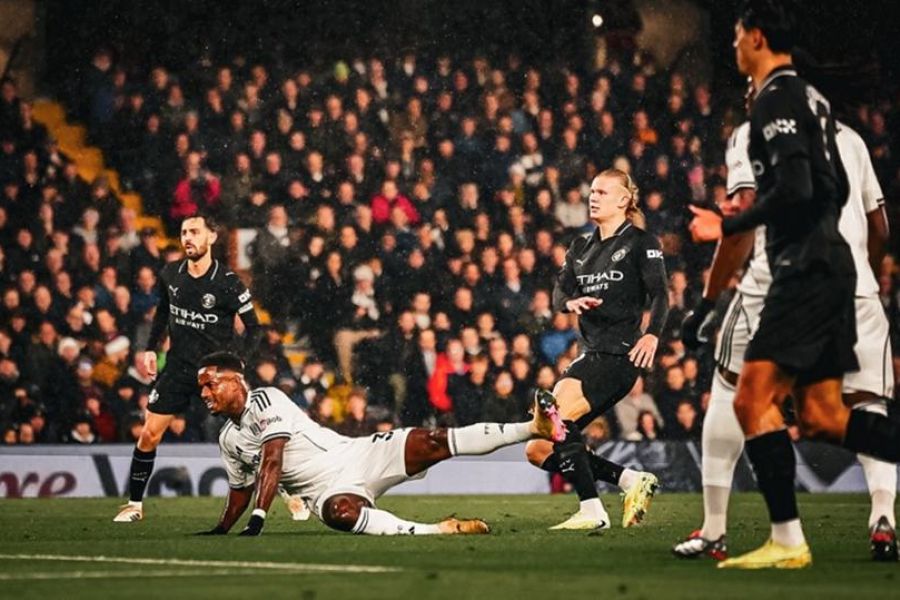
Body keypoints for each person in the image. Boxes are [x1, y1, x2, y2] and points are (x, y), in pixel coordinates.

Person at [688, 1, 900, 568]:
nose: (733, 46)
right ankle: (785, 539)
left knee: (750, 397)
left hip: (803, 269)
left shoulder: (774, 102)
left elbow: (797, 188)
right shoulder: (817, 103)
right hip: (835, 267)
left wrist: (724, 226)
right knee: (825, 417)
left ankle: (786, 540)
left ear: (757, 38)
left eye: (738, 36)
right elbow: (846, 201)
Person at [194, 351, 566, 536]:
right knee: (340, 513)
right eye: (202, 389)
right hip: (324, 491)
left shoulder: (266, 400)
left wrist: (258, 519)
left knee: (433, 440)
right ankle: (439, 530)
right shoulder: (228, 438)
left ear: (236, 381)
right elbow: (240, 488)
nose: (205, 394)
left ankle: (532, 427)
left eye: (211, 385)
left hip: (357, 454)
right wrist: (221, 529)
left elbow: (272, 459)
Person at [524, 168, 669, 530]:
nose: (594, 197)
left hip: (619, 355)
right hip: (589, 355)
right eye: (592, 191)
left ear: (623, 200)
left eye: (603, 192)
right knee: (538, 448)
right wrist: (569, 302)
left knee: (557, 421)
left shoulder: (641, 242)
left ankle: (592, 510)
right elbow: (559, 292)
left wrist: (652, 334)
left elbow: (661, 294)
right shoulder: (580, 247)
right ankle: (630, 480)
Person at [113, 214, 262, 522]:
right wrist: (151, 348)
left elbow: (255, 329)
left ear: (211, 237)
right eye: (183, 233)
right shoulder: (171, 273)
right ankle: (134, 505)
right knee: (149, 434)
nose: (188, 238)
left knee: (254, 437)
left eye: (194, 232)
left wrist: (238, 364)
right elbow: (163, 313)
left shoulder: (228, 282)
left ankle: (291, 493)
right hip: (179, 369)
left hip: (216, 374)